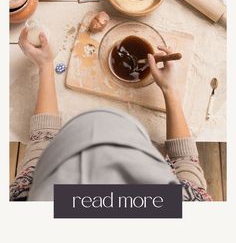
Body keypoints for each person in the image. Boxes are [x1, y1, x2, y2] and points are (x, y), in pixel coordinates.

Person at [10, 28, 211, 201]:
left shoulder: (23, 202)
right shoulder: (188, 208)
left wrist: (45, 66)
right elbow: (186, 162)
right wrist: (170, 90)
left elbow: (41, 141)